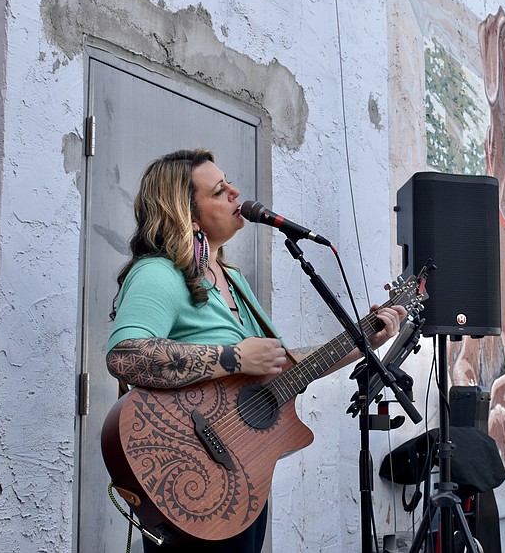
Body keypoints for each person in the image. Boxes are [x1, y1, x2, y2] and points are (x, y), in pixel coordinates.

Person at [105, 148, 406, 552]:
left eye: (230, 183)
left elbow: (283, 368)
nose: (236, 193)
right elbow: (125, 355)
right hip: (190, 479)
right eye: (219, 190)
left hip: (241, 482)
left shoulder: (231, 278)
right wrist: (231, 357)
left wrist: (365, 340)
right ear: (185, 212)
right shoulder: (158, 273)